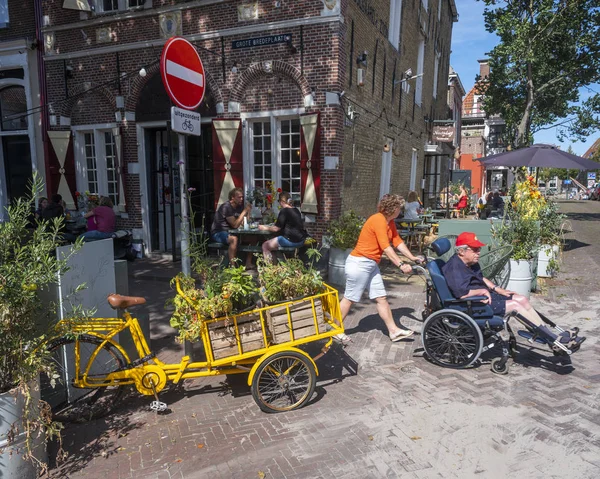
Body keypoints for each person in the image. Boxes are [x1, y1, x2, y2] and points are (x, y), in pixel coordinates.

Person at [442, 232, 584, 352]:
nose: (479, 253)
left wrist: (496, 288)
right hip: (471, 304)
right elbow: (461, 294)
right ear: (461, 251)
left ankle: (551, 336)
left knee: (521, 299)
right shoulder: (455, 268)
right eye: (475, 250)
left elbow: (481, 278)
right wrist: (481, 291)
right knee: (515, 307)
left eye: (479, 249)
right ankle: (555, 342)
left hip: (483, 297)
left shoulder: (469, 263)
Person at [336, 194, 424, 344]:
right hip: (360, 263)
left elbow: (397, 242)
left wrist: (412, 258)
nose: (401, 211)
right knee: (350, 298)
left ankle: (394, 331)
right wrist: (401, 264)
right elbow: (386, 246)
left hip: (370, 264)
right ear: (394, 208)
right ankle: (335, 330)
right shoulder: (378, 220)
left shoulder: (390, 222)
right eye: (399, 208)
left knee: (381, 297)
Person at [258, 191, 308, 261]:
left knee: (265, 246)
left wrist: (264, 227)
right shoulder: (296, 210)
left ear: (282, 201)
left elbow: (276, 229)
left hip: (291, 241)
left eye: (279, 201)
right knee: (273, 246)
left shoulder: (284, 211)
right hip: (301, 239)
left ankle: (270, 269)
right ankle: (277, 266)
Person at [210, 187, 253, 267]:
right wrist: (244, 211)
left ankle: (248, 263)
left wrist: (248, 213)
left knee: (252, 238)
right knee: (234, 239)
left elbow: (244, 223)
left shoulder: (239, 207)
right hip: (219, 233)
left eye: (242, 197)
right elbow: (235, 225)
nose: (241, 199)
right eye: (239, 197)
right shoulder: (226, 207)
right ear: (232, 197)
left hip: (231, 232)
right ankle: (232, 267)